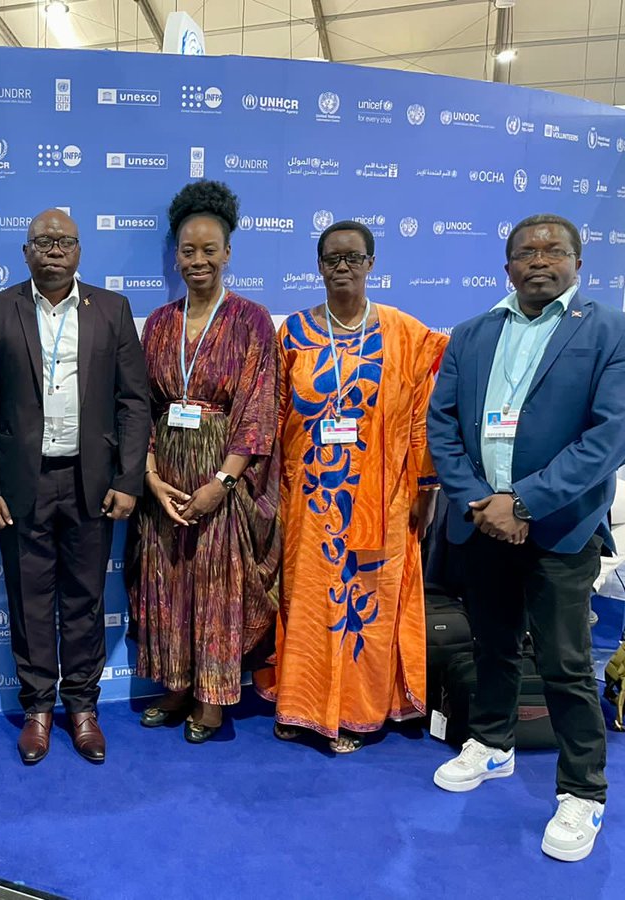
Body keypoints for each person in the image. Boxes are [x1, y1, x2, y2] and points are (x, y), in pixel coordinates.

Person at [428, 214, 625, 862]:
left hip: (561, 529)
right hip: (481, 521)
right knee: (492, 645)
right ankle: (491, 745)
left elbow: (607, 438)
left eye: (554, 249)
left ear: (578, 261)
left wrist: (526, 503)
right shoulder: (473, 333)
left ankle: (582, 793)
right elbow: (443, 425)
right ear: (506, 265)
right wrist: (479, 503)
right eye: (525, 251)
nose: (539, 259)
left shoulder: (608, 331)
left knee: (567, 664)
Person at [0, 208, 149, 764]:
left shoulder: (111, 311)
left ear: (79, 251)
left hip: (91, 483)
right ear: (25, 252)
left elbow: (133, 402)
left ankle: (83, 708)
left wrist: (129, 478)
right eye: (41, 241)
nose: (52, 250)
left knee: (87, 599)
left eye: (63, 241)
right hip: (23, 485)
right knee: (30, 599)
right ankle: (38, 708)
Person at [253, 221, 448, 753]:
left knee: (365, 606)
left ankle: (357, 710)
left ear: (370, 263)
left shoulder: (403, 332)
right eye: (332, 259)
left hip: (382, 499)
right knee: (309, 604)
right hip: (310, 499)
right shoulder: (290, 333)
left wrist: (426, 489)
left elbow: (421, 418)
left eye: (353, 258)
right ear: (318, 266)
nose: (342, 267)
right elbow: (271, 416)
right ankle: (303, 705)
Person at [126, 180, 280, 743]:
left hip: (222, 477)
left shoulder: (250, 320)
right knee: (167, 579)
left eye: (209, 249)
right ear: (175, 256)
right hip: (164, 473)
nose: (198, 260)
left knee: (215, 582)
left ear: (228, 253)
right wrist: (149, 478)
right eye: (188, 251)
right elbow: (140, 404)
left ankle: (213, 697)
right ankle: (175, 685)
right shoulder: (160, 323)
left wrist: (223, 481)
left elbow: (258, 409)